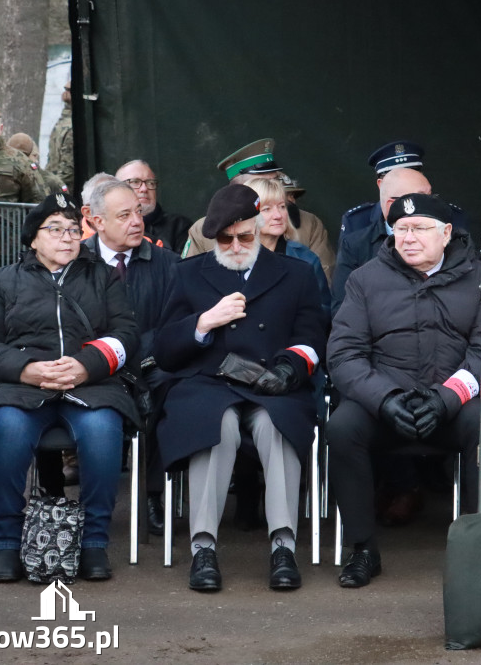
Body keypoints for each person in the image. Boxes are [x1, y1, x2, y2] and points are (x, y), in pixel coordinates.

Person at [327, 192, 481, 588]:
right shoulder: (365, 279)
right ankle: (362, 549)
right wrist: (384, 398)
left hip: (452, 404)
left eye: (420, 228)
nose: (408, 238)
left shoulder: (480, 277)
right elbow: (344, 354)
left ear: (446, 233)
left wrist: (447, 397)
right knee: (341, 428)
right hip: (385, 405)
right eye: (400, 229)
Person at [154, 184, 327, 593]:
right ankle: (203, 547)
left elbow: (313, 338)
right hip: (208, 383)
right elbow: (163, 350)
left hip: (272, 383)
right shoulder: (188, 273)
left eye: (244, 237)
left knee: (275, 424)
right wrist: (204, 322)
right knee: (217, 425)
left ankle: (283, 545)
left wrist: (288, 369)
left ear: (259, 227)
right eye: (225, 239)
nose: (235, 246)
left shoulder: (296, 274)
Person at [0, 193, 140, 583]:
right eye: (55, 229)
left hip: (92, 386)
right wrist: (26, 369)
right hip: (23, 388)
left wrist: (86, 366)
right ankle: (6, 542)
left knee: (102, 430)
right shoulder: (4, 280)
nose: (67, 237)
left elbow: (127, 334)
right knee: (6, 430)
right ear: (33, 239)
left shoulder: (101, 276)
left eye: (74, 230)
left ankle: (93, 543)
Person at [81, 174, 180, 535]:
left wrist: (136, 361)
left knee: (169, 388)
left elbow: (174, 324)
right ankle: (65, 499)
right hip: (94, 369)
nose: (137, 221)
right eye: (124, 215)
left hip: (150, 366)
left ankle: (152, 494)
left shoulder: (168, 264)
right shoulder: (76, 261)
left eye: (138, 212)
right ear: (97, 221)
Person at [182, 139, 334, 270]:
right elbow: (188, 283)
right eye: (261, 184)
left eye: (275, 181)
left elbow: (322, 285)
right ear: (237, 188)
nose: (271, 188)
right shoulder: (204, 230)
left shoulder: (308, 224)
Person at [331, 167, 432, 316]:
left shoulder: (448, 241)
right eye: (422, 198)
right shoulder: (355, 246)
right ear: (392, 206)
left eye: (432, 197)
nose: (433, 205)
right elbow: (343, 311)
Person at [337, 139, 468, 248]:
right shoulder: (357, 221)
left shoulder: (451, 216)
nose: (406, 179)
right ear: (381, 184)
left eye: (413, 174)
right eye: (396, 176)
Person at [245, 176, 330, 313]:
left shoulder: (306, 259)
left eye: (282, 207)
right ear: (248, 214)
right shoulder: (230, 258)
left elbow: (322, 311)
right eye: (266, 209)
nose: (278, 215)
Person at [115, 160, 190, 253]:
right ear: (116, 189)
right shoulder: (107, 226)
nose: (144, 188)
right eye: (135, 182)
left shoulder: (179, 226)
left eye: (150, 183)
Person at [47, 81, 74, 193]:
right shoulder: (63, 121)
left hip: (65, 190)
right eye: (66, 90)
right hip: (56, 185)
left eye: (69, 90)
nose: (65, 92)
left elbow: (68, 168)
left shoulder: (72, 125)